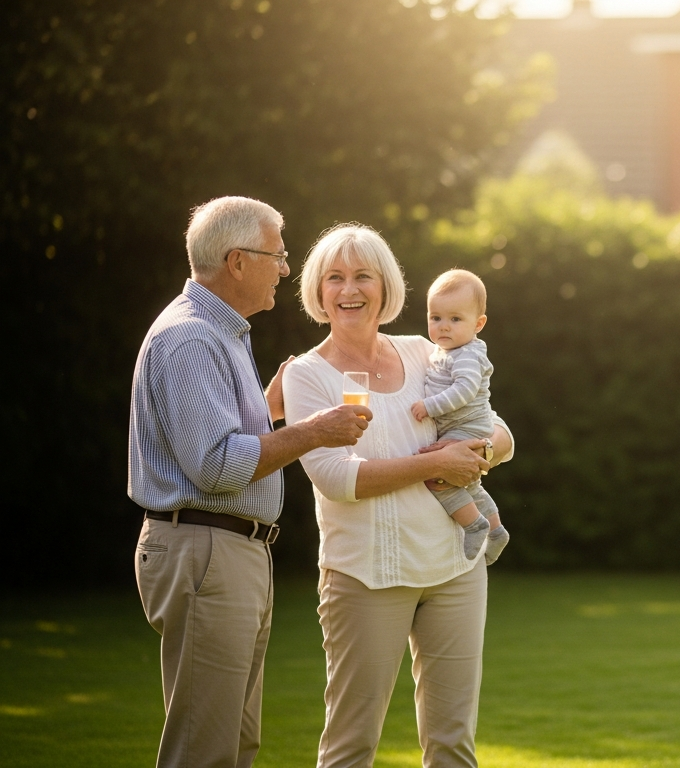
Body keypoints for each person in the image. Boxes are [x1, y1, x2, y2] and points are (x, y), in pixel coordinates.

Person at [128, 196, 372, 768]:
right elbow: (216, 466)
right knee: (204, 749)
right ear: (237, 262)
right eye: (277, 256)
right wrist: (314, 431)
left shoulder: (222, 334)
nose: (286, 269)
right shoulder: (191, 338)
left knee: (235, 746)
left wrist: (270, 410)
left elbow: (216, 443)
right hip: (207, 550)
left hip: (226, 550)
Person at [272, 223, 513, 768]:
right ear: (318, 291)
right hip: (366, 577)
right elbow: (336, 478)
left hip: (454, 569)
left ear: (385, 287)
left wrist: (480, 451)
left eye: (363, 276)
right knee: (350, 747)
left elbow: (499, 431)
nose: (349, 289)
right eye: (334, 277)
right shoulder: (306, 375)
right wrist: (435, 464)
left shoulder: (425, 352)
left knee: (453, 745)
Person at [409, 269, 510, 565]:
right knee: (471, 484)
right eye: (436, 317)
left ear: (478, 324)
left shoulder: (467, 355)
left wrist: (430, 406)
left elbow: (464, 390)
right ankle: (497, 530)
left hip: (467, 427)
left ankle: (474, 525)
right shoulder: (445, 351)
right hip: (463, 426)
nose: (443, 326)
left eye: (455, 319)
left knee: (438, 478)